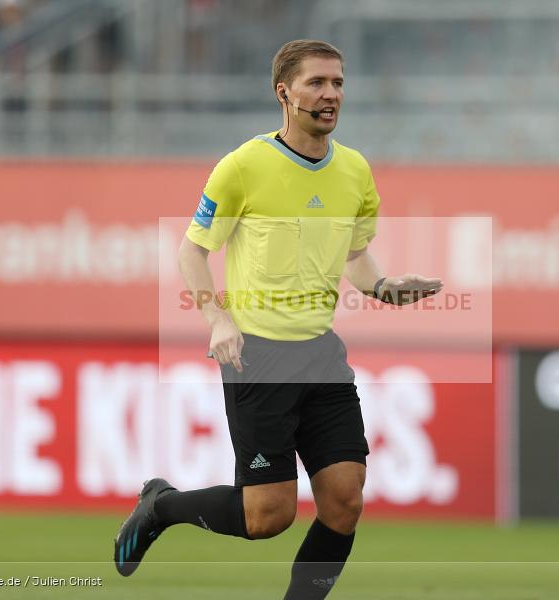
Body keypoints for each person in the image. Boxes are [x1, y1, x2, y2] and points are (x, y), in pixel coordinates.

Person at [113, 39, 442, 599]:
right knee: (268, 516)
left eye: (338, 82)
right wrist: (218, 320)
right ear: (283, 93)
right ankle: (161, 507)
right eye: (317, 83)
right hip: (258, 356)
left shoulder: (356, 172)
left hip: (320, 353)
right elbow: (193, 251)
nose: (331, 94)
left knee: (345, 500)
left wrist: (384, 287)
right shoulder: (243, 166)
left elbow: (355, 256)